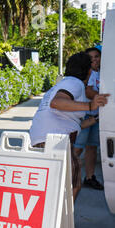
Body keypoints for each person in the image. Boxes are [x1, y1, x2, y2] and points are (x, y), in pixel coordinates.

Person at [29, 52, 109, 201]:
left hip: (44, 139)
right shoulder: (75, 83)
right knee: (73, 183)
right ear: (88, 70)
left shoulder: (67, 83)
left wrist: (97, 118)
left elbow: (75, 123)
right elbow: (57, 102)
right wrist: (90, 105)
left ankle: (56, 219)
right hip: (53, 141)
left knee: (58, 184)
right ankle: (61, 221)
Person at [74, 47, 103, 190]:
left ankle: (90, 177)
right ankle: (65, 176)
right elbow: (88, 91)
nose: (94, 60)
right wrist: (102, 98)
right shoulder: (88, 74)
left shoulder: (101, 73)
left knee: (92, 147)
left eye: (97, 56)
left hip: (97, 116)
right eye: (90, 57)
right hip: (85, 114)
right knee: (78, 148)